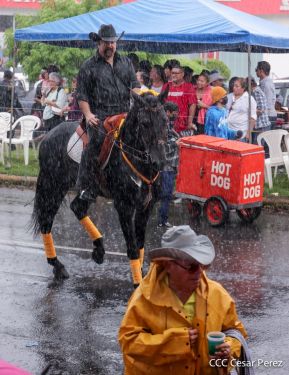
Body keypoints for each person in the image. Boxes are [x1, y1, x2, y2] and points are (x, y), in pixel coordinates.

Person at [119, 225, 247, 375]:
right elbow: (129, 344)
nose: (199, 272)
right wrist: (174, 342)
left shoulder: (217, 294)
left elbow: (236, 332)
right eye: (191, 266)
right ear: (168, 265)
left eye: (202, 264)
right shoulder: (143, 299)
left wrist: (229, 348)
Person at [76, 24, 140, 201]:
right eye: (106, 42)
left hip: (124, 115)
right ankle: (86, 186)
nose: (110, 46)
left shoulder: (125, 62)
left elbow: (135, 85)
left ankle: (145, 181)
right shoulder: (88, 66)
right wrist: (88, 115)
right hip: (100, 116)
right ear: (99, 43)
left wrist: (138, 96)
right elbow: (81, 94)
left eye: (113, 42)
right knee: (95, 143)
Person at [157, 101, 179, 228]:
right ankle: (162, 220)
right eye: (174, 113)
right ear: (167, 112)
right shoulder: (162, 126)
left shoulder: (168, 125)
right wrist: (175, 143)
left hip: (170, 164)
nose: (175, 115)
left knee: (167, 193)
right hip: (165, 165)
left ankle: (163, 219)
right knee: (166, 193)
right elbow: (162, 145)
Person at [162, 65, 196, 135]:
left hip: (182, 125)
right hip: (166, 123)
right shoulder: (166, 86)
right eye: (172, 73)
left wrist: (190, 122)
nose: (174, 75)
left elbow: (192, 104)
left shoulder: (188, 87)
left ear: (182, 74)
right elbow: (161, 102)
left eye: (176, 73)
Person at [227, 77, 257, 142]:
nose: (234, 88)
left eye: (237, 86)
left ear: (243, 88)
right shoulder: (230, 96)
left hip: (241, 133)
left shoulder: (249, 99)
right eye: (234, 86)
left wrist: (248, 133)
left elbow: (253, 117)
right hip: (228, 131)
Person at [247, 77, 271, 144]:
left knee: (257, 147)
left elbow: (261, 110)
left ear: (250, 84)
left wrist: (249, 114)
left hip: (261, 125)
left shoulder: (256, 92)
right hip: (259, 125)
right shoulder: (255, 91)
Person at [255, 61, 277, 130]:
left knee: (263, 140)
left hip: (268, 116)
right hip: (268, 115)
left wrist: (260, 111)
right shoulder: (265, 82)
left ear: (261, 71)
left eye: (256, 70)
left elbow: (268, 103)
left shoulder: (267, 84)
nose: (256, 72)